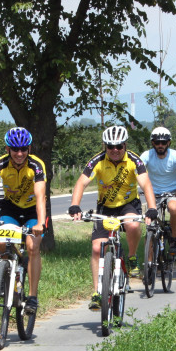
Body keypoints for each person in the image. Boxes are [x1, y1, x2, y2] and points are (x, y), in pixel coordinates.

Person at [68, 125, 158, 311]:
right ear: (105, 147)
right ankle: (96, 292)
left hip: (128, 205)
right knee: (96, 247)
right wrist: (75, 205)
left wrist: (152, 208)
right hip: (105, 208)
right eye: (110, 147)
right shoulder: (97, 161)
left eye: (119, 146)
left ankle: (132, 257)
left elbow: (146, 184)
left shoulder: (134, 160)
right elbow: (81, 183)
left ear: (125, 145)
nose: (115, 150)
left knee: (133, 225)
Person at [0, 127, 47, 316]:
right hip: (11, 208)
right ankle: (5, 280)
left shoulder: (37, 165)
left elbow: (40, 196)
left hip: (32, 211)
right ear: (8, 149)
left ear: (29, 148)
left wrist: (40, 223)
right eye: (15, 150)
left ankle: (32, 297)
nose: (19, 154)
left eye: (23, 149)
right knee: (0, 242)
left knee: (32, 246)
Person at [139, 127, 176, 255]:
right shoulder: (147, 155)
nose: (160, 145)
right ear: (153, 143)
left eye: (163, 142)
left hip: (173, 190)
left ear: (168, 143)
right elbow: (136, 172)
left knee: (173, 208)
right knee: (150, 225)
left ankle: (173, 238)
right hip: (153, 192)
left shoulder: (175, 155)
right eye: (157, 142)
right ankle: (149, 266)